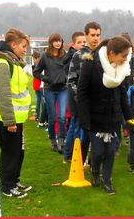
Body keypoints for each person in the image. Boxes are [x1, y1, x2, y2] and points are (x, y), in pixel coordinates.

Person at [77, 36, 133, 195]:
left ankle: (107, 180)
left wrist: (128, 117)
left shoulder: (121, 69)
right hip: (95, 117)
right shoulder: (90, 64)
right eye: (124, 55)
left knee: (110, 152)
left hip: (113, 116)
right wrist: (84, 119)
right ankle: (95, 171)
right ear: (112, 53)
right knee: (98, 151)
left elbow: (122, 94)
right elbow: (82, 93)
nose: (126, 59)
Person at [0, 28, 31, 198]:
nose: (25, 49)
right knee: (10, 153)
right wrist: (10, 121)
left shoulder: (14, 63)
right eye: (23, 46)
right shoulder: (2, 64)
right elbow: (4, 95)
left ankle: (14, 180)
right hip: (5, 118)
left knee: (18, 152)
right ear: (13, 45)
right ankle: (7, 187)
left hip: (16, 118)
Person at [65, 21, 101, 164]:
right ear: (86, 35)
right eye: (92, 35)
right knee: (81, 132)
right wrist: (80, 99)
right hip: (83, 103)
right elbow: (71, 81)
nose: (95, 38)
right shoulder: (78, 55)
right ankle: (75, 159)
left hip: (99, 103)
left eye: (98, 35)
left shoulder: (103, 54)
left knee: (97, 134)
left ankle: (94, 163)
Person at [33, 33, 67, 153]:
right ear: (51, 42)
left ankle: (61, 141)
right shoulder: (45, 56)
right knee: (52, 117)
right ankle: (53, 140)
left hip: (63, 89)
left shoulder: (65, 55)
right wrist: (47, 79)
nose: (58, 43)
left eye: (60, 41)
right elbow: (36, 72)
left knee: (62, 117)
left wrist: (66, 78)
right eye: (56, 41)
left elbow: (70, 69)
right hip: (49, 90)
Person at [63, 31, 86, 163]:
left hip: (77, 95)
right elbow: (71, 79)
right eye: (79, 42)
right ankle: (72, 155)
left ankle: (68, 154)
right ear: (73, 44)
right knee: (76, 125)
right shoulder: (74, 57)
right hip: (75, 95)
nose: (82, 44)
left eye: (84, 42)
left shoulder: (82, 55)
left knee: (74, 124)